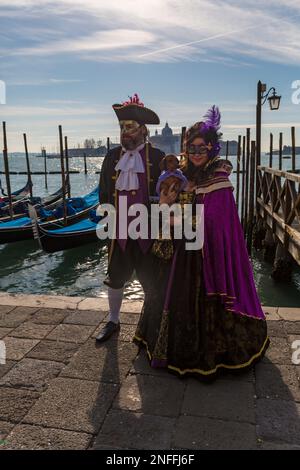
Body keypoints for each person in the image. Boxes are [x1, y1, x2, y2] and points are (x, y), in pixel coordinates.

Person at [134, 105, 269, 381]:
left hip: (205, 256)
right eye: (191, 148)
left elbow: (218, 225)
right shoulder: (179, 175)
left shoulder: (218, 180)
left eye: (201, 148)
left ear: (211, 149)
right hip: (179, 252)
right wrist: (165, 205)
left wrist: (182, 218)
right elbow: (165, 210)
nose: (195, 154)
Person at [96, 94, 164, 342]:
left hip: (148, 230)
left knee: (152, 282)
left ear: (143, 131)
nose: (125, 132)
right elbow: (104, 192)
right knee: (115, 278)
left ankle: (152, 328)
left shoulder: (158, 158)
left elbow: (168, 194)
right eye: (122, 128)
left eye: (130, 127)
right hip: (119, 231)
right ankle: (113, 321)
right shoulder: (112, 158)